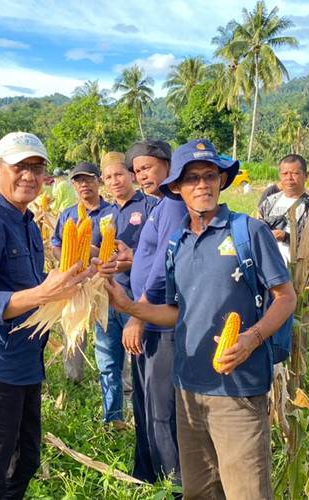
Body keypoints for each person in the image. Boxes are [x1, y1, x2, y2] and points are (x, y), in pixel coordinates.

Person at [106, 139, 297, 499]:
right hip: (188, 390)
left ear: (222, 180)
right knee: (199, 491)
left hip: (236, 390)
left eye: (210, 175)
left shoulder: (247, 232)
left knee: (247, 491)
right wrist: (129, 308)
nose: (203, 185)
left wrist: (252, 338)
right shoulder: (178, 243)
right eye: (191, 179)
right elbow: (178, 312)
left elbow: (286, 297)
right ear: (176, 188)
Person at [0, 131, 94, 499]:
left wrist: (76, 280)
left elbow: (32, 290)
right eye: (20, 167)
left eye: (37, 167)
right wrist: (42, 292)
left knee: (24, 461)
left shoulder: (27, 223)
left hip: (25, 366)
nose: (29, 176)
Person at [123, 139, 186, 487]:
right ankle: (148, 476)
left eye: (147, 167)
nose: (141, 176)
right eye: (137, 171)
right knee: (147, 403)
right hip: (149, 318)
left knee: (162, 410)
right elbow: (151, 257)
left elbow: (165, 268)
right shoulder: (159, 206)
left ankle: (173, 484)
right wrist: (129, 258)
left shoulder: (174, 206)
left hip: (159, 323)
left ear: (168, 164)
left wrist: (138, 315)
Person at [95, 151, 157, 429]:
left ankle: (146, 421)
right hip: (107, 296)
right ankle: (114, 419)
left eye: (119, 174)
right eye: (108, 177)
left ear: (131, 175)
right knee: (108, 361)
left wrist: (131, 259)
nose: (114, 181)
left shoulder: (150, 207)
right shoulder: (104, 214)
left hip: (139, 298)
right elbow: (97, 251)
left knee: (142, 363)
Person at [50, 161, 112, 382]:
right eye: (78, 180)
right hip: (74, 281)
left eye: (88, 179)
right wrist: (67, 262)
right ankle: (73, 379)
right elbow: (56, 243)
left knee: (107, 330)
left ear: (99, 181)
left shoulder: (112, 213)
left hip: (103, 281)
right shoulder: (67, 215)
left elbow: (117, 246)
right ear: (74, 186)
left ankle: (116, 382)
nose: (84, 184)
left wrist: (92, 252)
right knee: (73, 331)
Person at [257, 154, 309, 284]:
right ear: (280, 175)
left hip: (301, 278)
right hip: (269, 275)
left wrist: (286, 237)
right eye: (285, 173)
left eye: (295, 173)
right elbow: (256, 233)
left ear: (306, 175)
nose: (289, 178)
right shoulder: (269, 203)